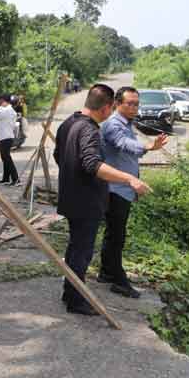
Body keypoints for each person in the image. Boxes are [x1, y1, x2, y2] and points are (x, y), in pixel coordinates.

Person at [53, 84, 152, 316]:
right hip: (85, 201)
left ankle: (71, 292)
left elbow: (59, 155)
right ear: (108, 107)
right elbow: (92, 164)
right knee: (81, 251)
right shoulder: (89, 130)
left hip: (71, 197)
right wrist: (128, 178)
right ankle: (76, 301)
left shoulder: (68, 123)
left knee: (75, 248)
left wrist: (72, 177)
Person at [99, 87, 167, 298]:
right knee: (117, 236)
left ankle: (106, 273)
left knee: (113, 234)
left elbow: (129, 148)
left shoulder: (127, 124)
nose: (134, 107)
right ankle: (119, 281)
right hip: (115, 188)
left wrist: (147, 147)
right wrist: (147, 147)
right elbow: (124, 144)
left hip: (122, 188)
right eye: (129, 103)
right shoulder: (113, 125)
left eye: (136, 104)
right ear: (117, 104)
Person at [0, 94, 19, 185]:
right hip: (2, 137)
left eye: (0, 100)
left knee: (7, 158)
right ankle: (6, 178)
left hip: (5, 137)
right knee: (5, 158)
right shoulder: (6, 110)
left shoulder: (7, 110)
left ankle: (16, 179)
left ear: (3, 100)